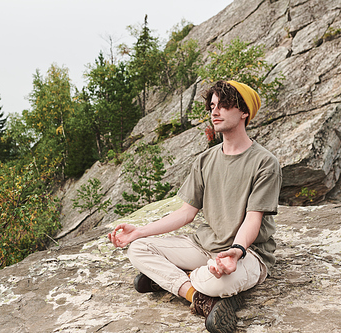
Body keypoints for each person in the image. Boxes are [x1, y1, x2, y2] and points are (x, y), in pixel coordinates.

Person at [108, 80, 282, 333]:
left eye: (224, 105)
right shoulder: (204, 161)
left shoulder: (265, 162)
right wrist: (139, 231)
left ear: (244, 112)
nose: (215, 112)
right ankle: (198, 296)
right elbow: (186, 213)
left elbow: (253, 219)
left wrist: (236, 251)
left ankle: (177, 280)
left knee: (217, 283)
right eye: (212, 106)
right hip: (204, 246)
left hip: (248, 253)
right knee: (138, 248)